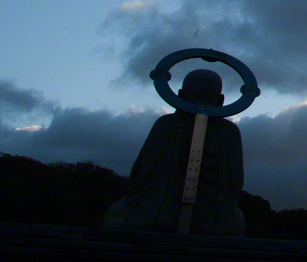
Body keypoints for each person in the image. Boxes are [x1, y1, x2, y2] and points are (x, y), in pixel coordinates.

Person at [103, 68, 245, 235]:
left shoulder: (165, 124)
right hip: (211, 218)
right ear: (221, 100)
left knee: (119, 213)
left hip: (154, 213)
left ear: (180, 95)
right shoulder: (229, 130)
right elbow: (235, 181)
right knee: (233, 221)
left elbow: (141, 172)